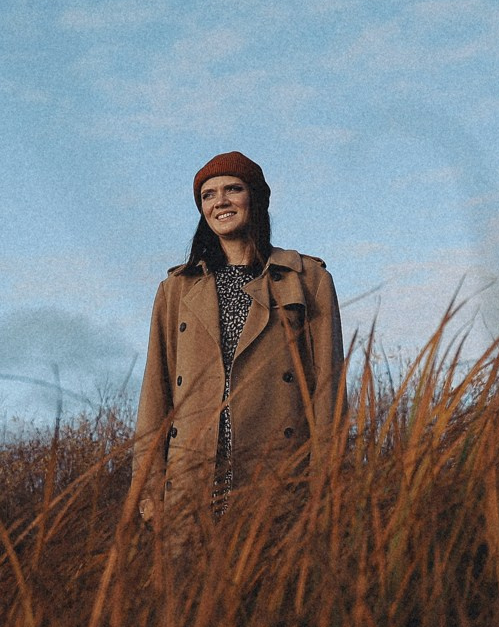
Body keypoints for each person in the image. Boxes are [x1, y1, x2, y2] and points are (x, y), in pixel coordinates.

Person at [132, 150, 345, 527]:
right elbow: (155, 395)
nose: (221, 202)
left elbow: (330, 390)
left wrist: (329, 486)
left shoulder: (307, 279)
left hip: (279, 476)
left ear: (256, 198)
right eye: (208, 195)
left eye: (233, 189)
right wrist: (149, 492)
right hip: (191, 481)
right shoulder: (176, 290)